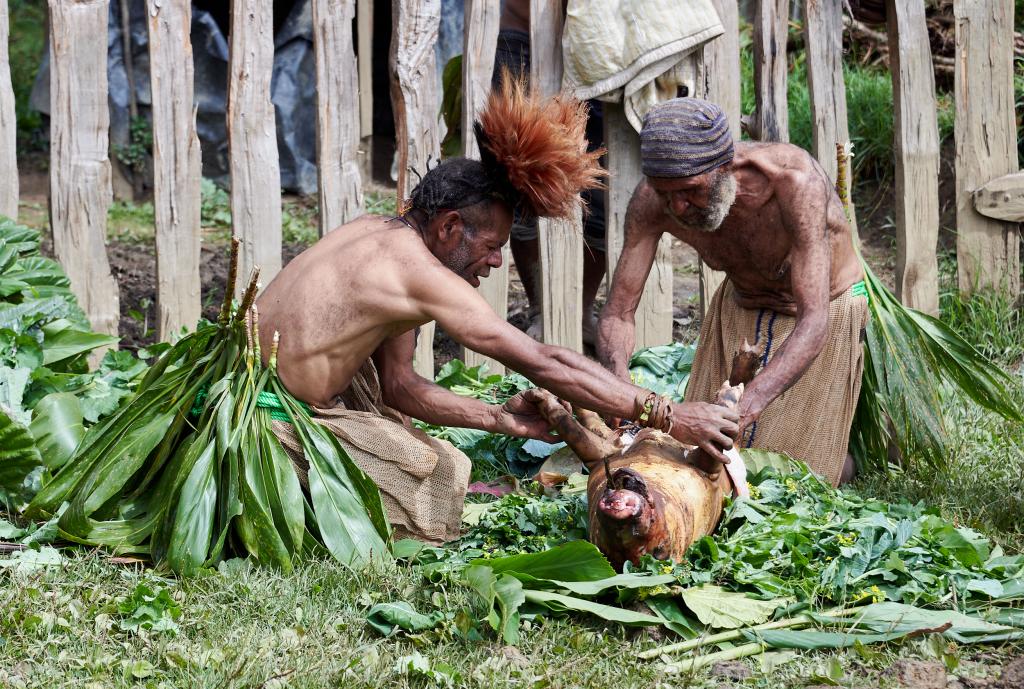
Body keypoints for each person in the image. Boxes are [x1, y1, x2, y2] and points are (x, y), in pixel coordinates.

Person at [256, 83, 739, 544]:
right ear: (449, 227)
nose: (495, 262)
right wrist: (667, 414)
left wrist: (497, 418)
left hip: (276, 384)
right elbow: (541, 360)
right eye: (491, 247)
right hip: (266, 422)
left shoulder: (380, 232)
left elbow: (397, 384)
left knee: (422, 448)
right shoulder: (416, 272)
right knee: (431, 478)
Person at [597, 98, 867, 487]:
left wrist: (745, 408)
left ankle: (844, 458)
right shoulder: (652, 201)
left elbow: (814, 321)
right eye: (664, 193)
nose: (677, 206)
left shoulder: (794, 183)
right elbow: (619, 312)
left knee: (789, 480)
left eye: (690, 190)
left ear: (725, 165)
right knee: (694, 462)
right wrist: (619, 389)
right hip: (739, 308)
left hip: (822, 312)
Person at [493, 0, 608, 344]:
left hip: (601, 45)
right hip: (521, 33)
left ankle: (582, 309)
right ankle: (541, 307)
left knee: (599, 190)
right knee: (519, 185)